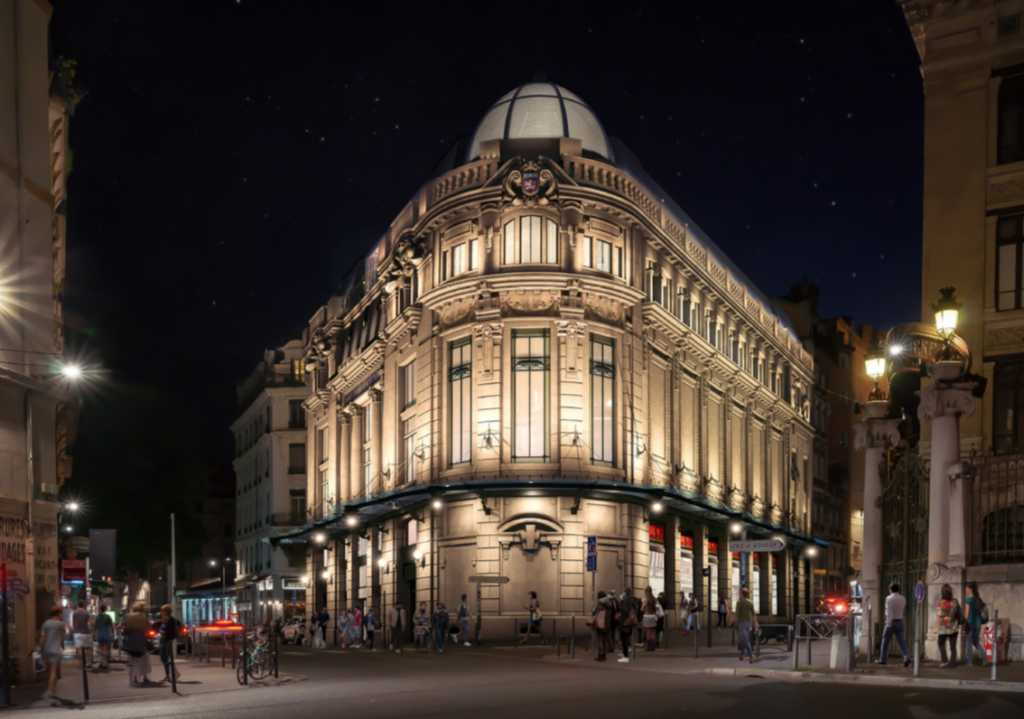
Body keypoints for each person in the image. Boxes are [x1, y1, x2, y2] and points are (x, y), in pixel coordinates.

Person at [875, 582, 910, 667]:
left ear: (890, 590)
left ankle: (883, 659)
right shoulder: (903, 598)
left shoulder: (889, 598)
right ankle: (906, 657)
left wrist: (889, 623)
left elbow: (888, 612)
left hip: (892, 622)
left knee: (885, 641)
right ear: (898, 589)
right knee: (901, 641)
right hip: (900, 621)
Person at [122, 601, 153, 685]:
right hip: (141, 641)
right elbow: (148, 628)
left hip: (131, 641)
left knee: (131, 660)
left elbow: (124, 629)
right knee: (143, 660)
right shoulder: (144, 617)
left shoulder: (128, 616)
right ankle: (144, 677)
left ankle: (133, 679)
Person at [39, 606, 66, 698]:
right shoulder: (60, 624)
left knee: (50, 669)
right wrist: (63, 646)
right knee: (54, 671)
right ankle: (50, 690)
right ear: (58, 613)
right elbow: (62, 638)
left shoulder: (46, 623)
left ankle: (53, 687)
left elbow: (43, 637)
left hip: (47, 648)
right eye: (61, 613)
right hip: (55, 649)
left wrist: (39, 646)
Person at [935, 583, 960, 668]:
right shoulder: (955, 601)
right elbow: (960, 610)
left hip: (944, 627)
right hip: (954, 626)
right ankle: (952, 663)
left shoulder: (941, 603)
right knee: (953, 646)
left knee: (940, 642)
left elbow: (939, 615)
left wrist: (935, 628)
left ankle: (945, 660)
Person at [963, 581, 987, 667]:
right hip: (978, 624)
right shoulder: (978, 600)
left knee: (969, 642)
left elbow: (966, 615)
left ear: (971, 589)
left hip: (970, 623)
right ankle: (984, 655)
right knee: (975, 641)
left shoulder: (968, 600)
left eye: (967, 588)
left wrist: (964, 626)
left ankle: (969, 661)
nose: (966, 589)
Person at [733, 587, 759, 663]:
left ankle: (751, 655)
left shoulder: (739, 603)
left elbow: (736, 614)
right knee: (744, 638)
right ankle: (741, 654)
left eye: (741, 593)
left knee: (745, 639)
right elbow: (753, 614)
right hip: (749, 623)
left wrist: (731, 621)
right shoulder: (750, 602)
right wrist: (756, 623)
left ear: (742, 594)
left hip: (742, 624)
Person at [158, 604, 181, 683]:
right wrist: (163, 627)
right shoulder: (166, 619)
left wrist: (163, 627)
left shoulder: (171, 619)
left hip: (167, 640)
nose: (162, 613)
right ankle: (168, 674)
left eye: (163, 611)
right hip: (163, 639)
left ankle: (170, 674)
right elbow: (161, 629)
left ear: (167, 611)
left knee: (165, 658)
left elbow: (165, 628)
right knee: (163, 657)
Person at [591, 591, 615, 661]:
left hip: (600, 623)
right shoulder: (609, 602)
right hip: (607, 624)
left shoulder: (600, 602)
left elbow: (595, 611)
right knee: (604, 640)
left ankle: (600, 656)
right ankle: (604, 655)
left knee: (600, 640)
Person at [70, 599, 93, 669]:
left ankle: (81, 664)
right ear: (83, 605)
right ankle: (88, 662)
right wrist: (90, 629)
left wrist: (74, 630)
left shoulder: (75, 613)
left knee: (79, 649)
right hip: (85, 633)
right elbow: (91, 622)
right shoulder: (86, 613)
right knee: (87, 648)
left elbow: (73, 623)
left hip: (77, 633)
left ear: (77, 605)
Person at [617, 588, 637, 663]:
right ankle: (624, 654)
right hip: (630, 620)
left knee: (624, 638)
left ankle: (625, 656)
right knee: (626, 638)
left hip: (625, 621)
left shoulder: (626, 600)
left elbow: (624, 610)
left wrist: (621, 621)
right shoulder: (632, 599)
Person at [641, 586, 662, 651]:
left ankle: (649, 647)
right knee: (652, 632)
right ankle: (653, 647)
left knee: (648, 632)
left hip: (647, 616)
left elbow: (642, 609)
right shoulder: (654, 599)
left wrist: (642, 607)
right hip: (653, 617)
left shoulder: (645, 599)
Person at [94, 605, 113, 670]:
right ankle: (105, 664)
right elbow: (111, 626)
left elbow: (95, 626)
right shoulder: (108, 616)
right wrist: (112, 634)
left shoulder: (97, 617)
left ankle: (101, 662)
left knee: (100, 649)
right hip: (106, 634)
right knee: (105, 649)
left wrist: (94, 634)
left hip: (99, 634)